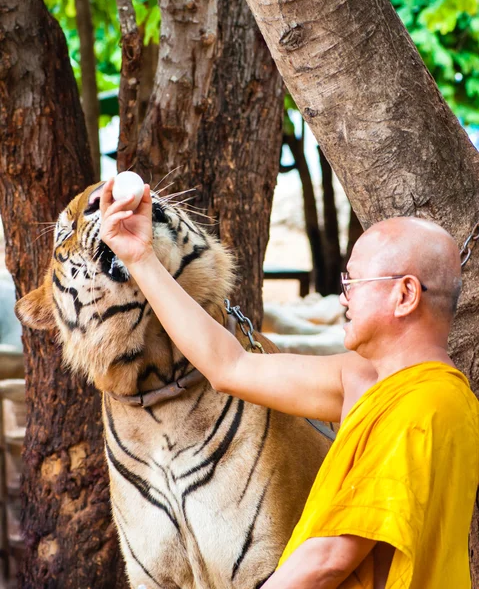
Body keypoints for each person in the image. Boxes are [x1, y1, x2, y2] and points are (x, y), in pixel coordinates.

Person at [99, 179, 479, 589]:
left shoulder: (424, 405)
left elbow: (330, 558)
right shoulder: (363, 379)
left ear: (405, 295)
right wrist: (139, 257)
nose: (343, 298)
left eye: (353, 282)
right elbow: (230, 367)